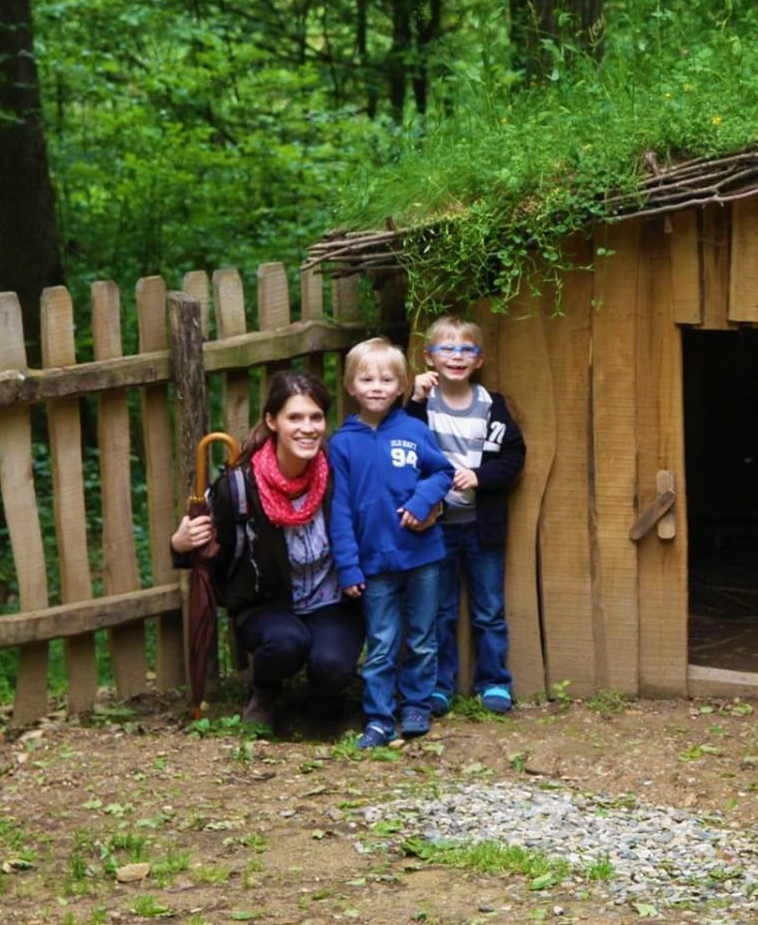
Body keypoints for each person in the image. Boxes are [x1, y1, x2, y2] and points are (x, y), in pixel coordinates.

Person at [170, 370, 360, 732]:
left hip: (331, 600)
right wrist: (179, 544)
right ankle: (264, 693)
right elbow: (205, 547)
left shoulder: (338, 471)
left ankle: (322, 703)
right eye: (295, 418)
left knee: (331, 664)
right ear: (272, 421)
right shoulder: (241, 484)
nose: (308, 428)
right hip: (266, 604)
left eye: (316, 417)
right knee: (286, 643)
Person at [327, 337, 454, 749]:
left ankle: (416, 704)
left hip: (422, 556)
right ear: (351, 386)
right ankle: (379, 718)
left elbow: (442, 472)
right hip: (373, 563)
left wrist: (421, 502)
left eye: (386, 379)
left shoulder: (414, 431)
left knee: (422, 636)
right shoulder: (341, 444)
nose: (377, 387)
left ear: (401, 386)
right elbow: (339, 511)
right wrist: (348, 567)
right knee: (381, 642)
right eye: (367, 379)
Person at [407, 316, 527, 716]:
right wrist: (416, 399)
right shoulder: (424, 405)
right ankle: (440, 686)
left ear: (479, 360)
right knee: (439, 611)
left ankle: (494, 682)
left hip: (481, 526)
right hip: (435, 529)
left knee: (489, 609)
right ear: (429, 358)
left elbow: (514, 456)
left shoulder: (493, 406)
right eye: (447, 348)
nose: (456, 356)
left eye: (466, 349)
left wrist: (479, 476)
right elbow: (404, 446)